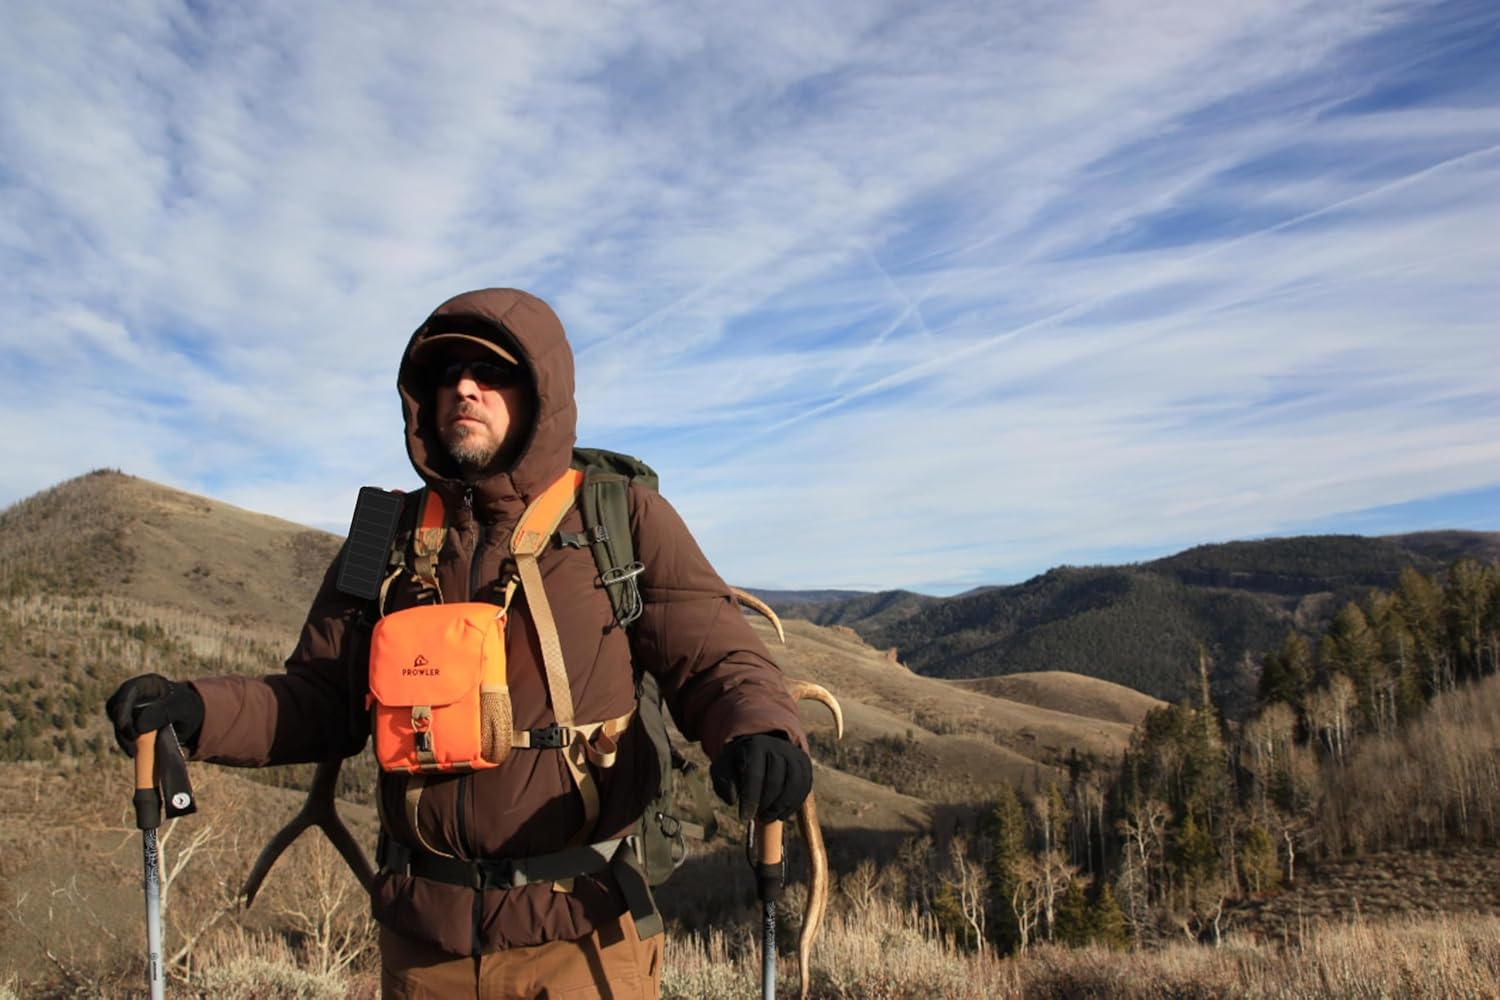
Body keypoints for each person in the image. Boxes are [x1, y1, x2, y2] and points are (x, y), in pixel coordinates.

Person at [106, 287, 813, 998]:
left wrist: (761, 733)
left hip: (582, 936)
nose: (465, 388)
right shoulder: (380, 532)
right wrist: (195, 711)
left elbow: (715, 658)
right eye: (448, 374)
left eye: (492, 371)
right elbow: (321, 697)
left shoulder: (620, 514)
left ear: (542, 392)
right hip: (423, 947)